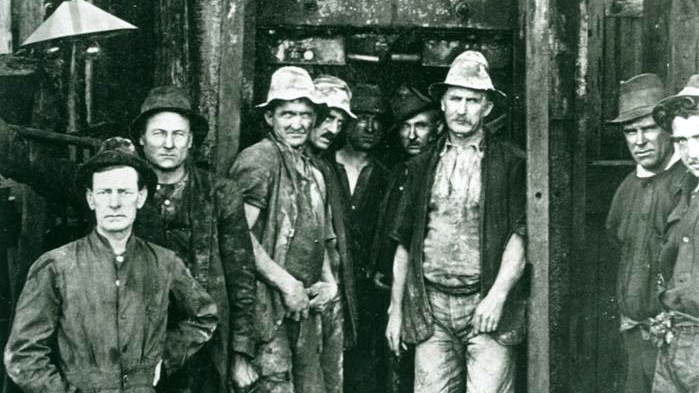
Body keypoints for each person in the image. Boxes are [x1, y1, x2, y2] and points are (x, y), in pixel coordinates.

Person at [0, 86, 258, 393]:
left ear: (191, 141)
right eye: (159, 133)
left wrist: (241, 353)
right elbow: (34, 165)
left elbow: (241, 277)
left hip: (196, 350)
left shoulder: (219, 194)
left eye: (179, 135)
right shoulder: (116, 183)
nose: (169, 144)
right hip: (125, 350)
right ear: (142, 138)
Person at [3, 138, 218, 393]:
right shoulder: (55, 266)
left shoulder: (165, 263)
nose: (114, 203)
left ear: (140, 197)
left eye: (124, 192)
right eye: (105, 192)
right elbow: (22, 355)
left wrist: (165, 357)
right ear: (91, 199)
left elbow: (205, 314)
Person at [385, 50, 527, 393]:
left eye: (473, 100)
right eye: (456, 99)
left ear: (487, 107)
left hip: (485, 307)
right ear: (443, 105)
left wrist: (497, 296)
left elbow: (520, 237)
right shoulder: (420, 166)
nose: (462, 109)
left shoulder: (511, 163)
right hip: (431, 309)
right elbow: (405, 242)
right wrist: (396, 309)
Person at [229, 66, 339, 393]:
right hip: (266, 311)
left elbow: (320, 234)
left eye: (305, 114)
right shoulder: (259, 160)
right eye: (287, 113)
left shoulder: (313, 171)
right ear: (270, 118)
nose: (297, 123)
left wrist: (329, 281)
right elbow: (238, 235)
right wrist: (287, 283)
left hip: (301, 311)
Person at [605, 73, 683, 393]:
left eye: (649, 129)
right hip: (635, 336)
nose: (639, 141)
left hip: (677, 341)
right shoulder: (626, 188)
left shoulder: (687, 183)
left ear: (668, 129)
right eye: (630, 131)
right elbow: (616, 239)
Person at [370, 84, 441, 393]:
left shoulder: (438, 169)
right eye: (406, 127)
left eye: (421, 126)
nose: (413, 135)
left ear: (436, 128)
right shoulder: (397, 172)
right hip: (390, 287)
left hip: (427, 292)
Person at [330, 83, 390, 393]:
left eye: (377, 119)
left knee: (365, 373)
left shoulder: (387, 176)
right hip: (327, 288)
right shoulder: (323, 166)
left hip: (368, 296)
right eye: (362, 117)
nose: (370, 127)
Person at [306, 74, 360, 393]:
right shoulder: (282, 163)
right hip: (307, 295)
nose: (333, 129)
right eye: (327, 118)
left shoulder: (324, 167)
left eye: (340, 121)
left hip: (329, 297)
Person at [648, 74, 699, 393]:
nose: (691, 152)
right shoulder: (686, 192)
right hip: (674, 340)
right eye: (682, 141)